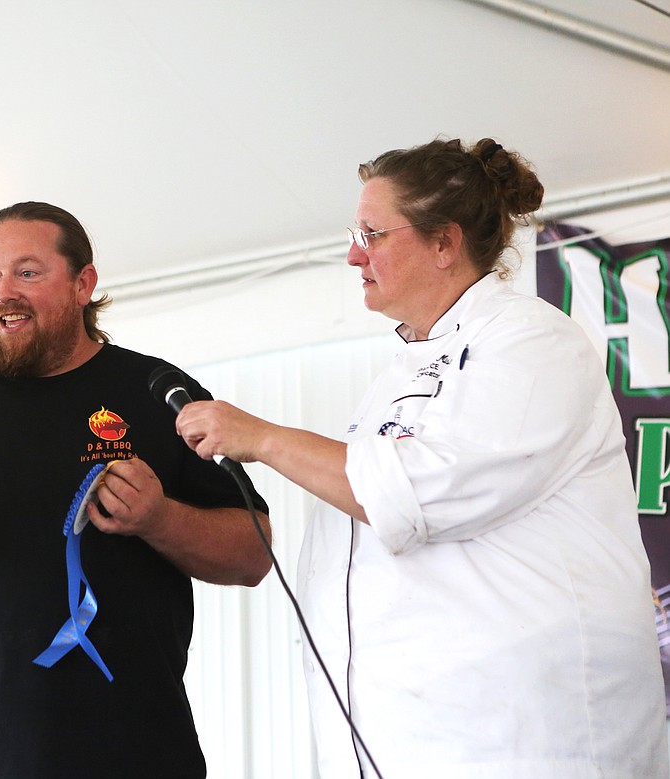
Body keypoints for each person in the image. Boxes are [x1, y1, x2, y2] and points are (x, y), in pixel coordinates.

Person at [174, 138, 669, 778]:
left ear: (444, 243)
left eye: (373, 234)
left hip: (525, 743)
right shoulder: (398, 375)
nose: (354, 255)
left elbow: (419, 491)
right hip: (418, 744)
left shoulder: (533, 341)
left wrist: (263, 437)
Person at [0, 201, 271, 778]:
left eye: (27, 273)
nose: (2, 292)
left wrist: (161, 519)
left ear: (84, 283)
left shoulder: (155, 392)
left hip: (137, 754)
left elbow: (255, 554)